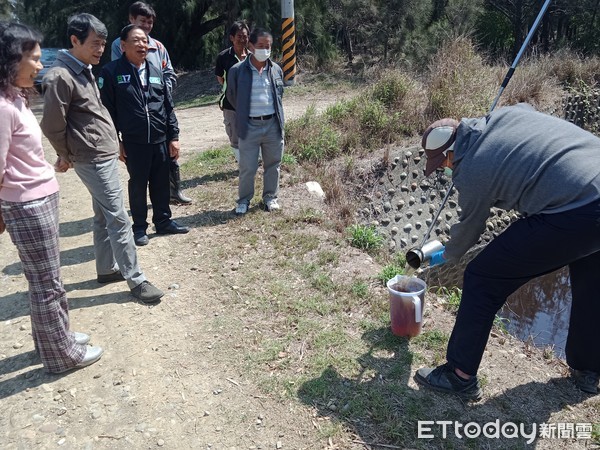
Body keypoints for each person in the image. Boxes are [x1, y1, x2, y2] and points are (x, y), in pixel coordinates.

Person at [414, 103, 600, 399]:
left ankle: (460, 376)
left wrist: (446, 254)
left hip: (576, 210)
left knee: (482, 277)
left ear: (451, 154)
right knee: (592, 283)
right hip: (591, 180)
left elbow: (469, 232)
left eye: (444, 163)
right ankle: (589, 371)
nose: (446, 169)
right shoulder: (506, 114)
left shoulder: (472, 169)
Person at [0, 21, 102, 373]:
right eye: (34, 59)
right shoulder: (2, 107)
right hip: (26, 205)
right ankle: (60, 355)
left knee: (50, 280)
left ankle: (56, 339)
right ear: (12, 60)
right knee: (46, 284)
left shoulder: (16, 97)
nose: (40, 66)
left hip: (38, 199)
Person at [41, 13, 164, 304]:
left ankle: (106, 269)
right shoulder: (60, 76)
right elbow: (51, 123)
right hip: (91, 156)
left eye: (102, 44)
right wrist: (64, 154)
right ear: (75, 40)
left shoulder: (83, 68)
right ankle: (136, 280)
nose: (100, 50)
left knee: (102, 215)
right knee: (119, 217)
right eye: (95, 44)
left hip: (102, 152)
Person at [99, 24, 189, 246]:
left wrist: (173, 137)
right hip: (133, 142)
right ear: (123, 45)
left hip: (160, 139)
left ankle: (164, 221)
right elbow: (107, 112)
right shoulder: (111, 72)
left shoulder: (156, 70)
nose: (142, 45)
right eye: (137, 40)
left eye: (145, 41)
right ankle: (139, 227)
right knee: (138, 184)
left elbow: (168, 106)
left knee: (161, 182)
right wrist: (116, 141)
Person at [111, 1, 191, 205]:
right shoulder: (119, 45)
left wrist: (162, 92)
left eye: (150, 22)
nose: (146, 26)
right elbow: (119, 76)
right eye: (142, 21)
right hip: (136, 114)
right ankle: (142, 211)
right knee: (141, 164)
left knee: (170, 153)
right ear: (131, 20)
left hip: (159, 109)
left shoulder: (159, 47)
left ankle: (174, 192)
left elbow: (169, 73)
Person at [226, 27, 285, 215]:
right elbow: (232, 96)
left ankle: (270, 198)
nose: (265, 50)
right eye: (261, 46)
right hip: (249, 125)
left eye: (268, 46)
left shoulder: (276, 69)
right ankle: (243, 200)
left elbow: (279, 95)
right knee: (247, 167)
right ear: (250, 46)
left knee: (273, 165)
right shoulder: (237, 71)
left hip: (272, 125)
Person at [215, 20, 249, 163]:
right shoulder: (223, 57)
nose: (242, 39)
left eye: (245, 36)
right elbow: (220, 78)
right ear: (231, 38)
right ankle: (242, 166)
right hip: (230, 104)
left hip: (251, 103)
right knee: (235, 135)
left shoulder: (252, 56)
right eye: (239, 36)